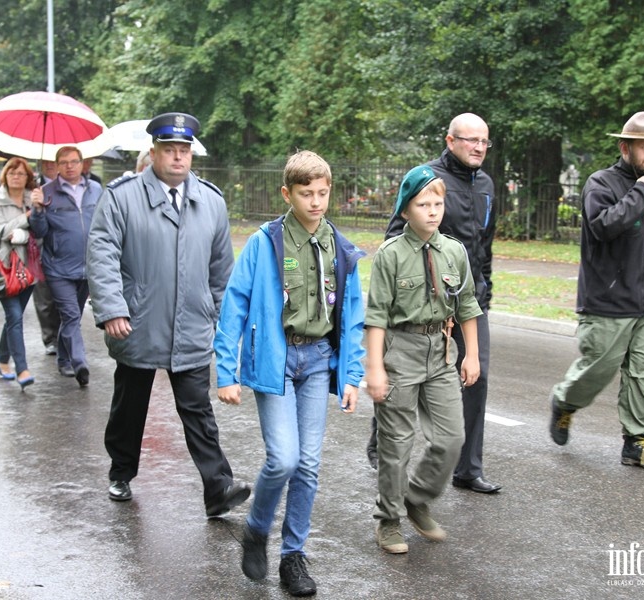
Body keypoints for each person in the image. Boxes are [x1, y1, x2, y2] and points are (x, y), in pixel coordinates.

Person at [214, 150, 366, 596]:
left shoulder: (340, 246)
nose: (316, 202)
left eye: (322, 193)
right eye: (306, 194)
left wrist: (352, 374)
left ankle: (293, 557)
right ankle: (257, 528)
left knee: (309, 466)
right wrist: (225, 372)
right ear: (287, 193)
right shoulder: (266, 242)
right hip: (276, 361)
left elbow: (353, 315)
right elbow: (234, 306)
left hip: (318, 361)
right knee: (283, 458)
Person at [87, 112, 250, 515]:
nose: (178, 157)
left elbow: (220, 269)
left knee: (198, 409)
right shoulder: (122, 197)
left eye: (184, 150)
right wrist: (111, 309)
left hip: (192, 323)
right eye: (170, 150)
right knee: (130, 405)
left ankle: (218, 489)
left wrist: (220, 318)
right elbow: (102, 254)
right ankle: (121, 471)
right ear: (154, 152)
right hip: (137, 322)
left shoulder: (211, 202)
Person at [370, 113, 500, 494]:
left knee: (478, 375)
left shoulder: (488, 185)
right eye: (470, 140)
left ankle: (467, 467)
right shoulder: (426, 179)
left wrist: (484, 285)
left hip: (468, 300)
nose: (478, 148)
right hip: (425, 306)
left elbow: (484, 244)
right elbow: (397, 237)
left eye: (484, 142)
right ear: (450, 140)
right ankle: (380, 437)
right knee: (404, 382)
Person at [549, 111, 644, 471]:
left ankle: (637, 441)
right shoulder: (600, 184)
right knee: (598, 369)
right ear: (625, 148)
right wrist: (641, 191)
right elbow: (606, 226)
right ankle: (565, 401)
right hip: (608, 301)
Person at [366, 165, 483, 554]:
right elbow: (377, 316)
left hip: (441, 352)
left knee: (452, 439)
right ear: (405, 210)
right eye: (423, 204)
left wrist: (472, 356)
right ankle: (389, 520)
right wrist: (375, 368)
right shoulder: (391, 255)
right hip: (400, 352)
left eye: (438, 203)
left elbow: (466, 305)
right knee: (396, 443)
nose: (432, 211)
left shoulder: (454, 251)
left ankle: (417, 497)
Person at [30, 146, 101, 386]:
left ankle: (63, 359)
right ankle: (79, 363)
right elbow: (39, 231)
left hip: (87, 265)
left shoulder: (96, 190)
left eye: (74, 161)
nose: (69, 166)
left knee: (72, 316)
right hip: (58, 267)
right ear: (57, 166)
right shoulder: (46, 192)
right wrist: (37, 210)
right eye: (64, 162)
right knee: (71, 315)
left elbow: (103, 224)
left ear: (82, 163)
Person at [0, 158, 39, 390]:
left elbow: (42, 230)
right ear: (5, 176)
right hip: (5, 265)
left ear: (28, 177)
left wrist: (36, 211)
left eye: (21, 173)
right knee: (15, 317)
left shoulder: (33, 199)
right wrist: (25, 219)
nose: (16, 177)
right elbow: (1, 232)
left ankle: (1, 358)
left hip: (30, 266)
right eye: (12, 173)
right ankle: (22, 368)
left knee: (13, 318)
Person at [31, 159, 61, 357]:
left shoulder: (69, 186)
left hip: (63, 250)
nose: (49, 165)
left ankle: (63, 337)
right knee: (44, 299)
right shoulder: (33, 185)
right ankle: (49, 338)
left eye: (53, 162)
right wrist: (36, 206)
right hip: (40, 250)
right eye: (46, 162)